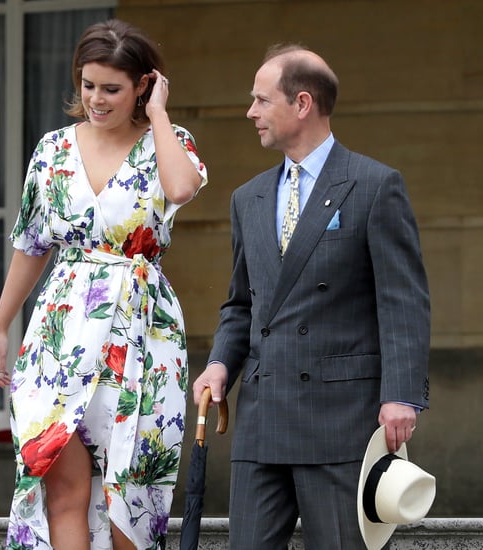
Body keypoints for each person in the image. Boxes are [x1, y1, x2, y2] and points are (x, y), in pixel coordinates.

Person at [192, 43, 430, 549]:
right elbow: (242, 304)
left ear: (302, 104)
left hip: (340, 420)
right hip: (262, 417)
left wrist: (401, 395)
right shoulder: (247, 198)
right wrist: (219, 365)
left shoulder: (374, 185)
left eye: (261, 100)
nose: (250, 112)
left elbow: (402, 300)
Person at [0, 19, 206, 550]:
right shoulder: (52, 150)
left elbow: (180, 188)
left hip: (139, 329)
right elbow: (31, 244)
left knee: (129, 493)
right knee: (60, 481)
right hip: (61, 327)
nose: (96, 100)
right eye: (88, 85)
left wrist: (158, 116)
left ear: (142, 86)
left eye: (112, 88)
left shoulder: (169, 142)